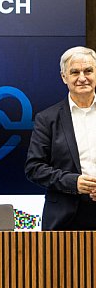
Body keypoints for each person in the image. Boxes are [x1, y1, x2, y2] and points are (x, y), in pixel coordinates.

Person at [25, 46, 96, 230]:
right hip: (64, 220)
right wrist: (73, 182)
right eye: (75, 72)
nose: (82, 78)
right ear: (64, 77)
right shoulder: (47, 119)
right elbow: (34, 168)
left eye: (88, 71)